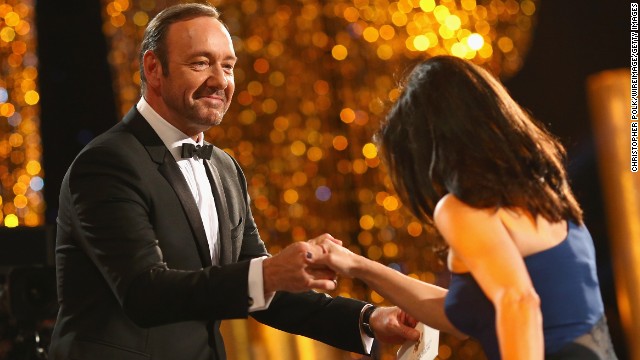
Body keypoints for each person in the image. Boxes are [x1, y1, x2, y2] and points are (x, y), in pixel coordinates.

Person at [47, 3, 420, 360]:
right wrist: (269, 272)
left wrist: (368, 318)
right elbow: (144, 293)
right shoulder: (107, 163)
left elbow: (262, 287)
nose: (220, 81)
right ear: (153, 67)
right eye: (201, 63)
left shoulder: (225, 169)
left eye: (228, 66)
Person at [311, 56, 618, 359]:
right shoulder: (544, 188)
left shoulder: (460, 209)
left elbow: (518, 301)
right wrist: (357, 265)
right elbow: (464, 314)